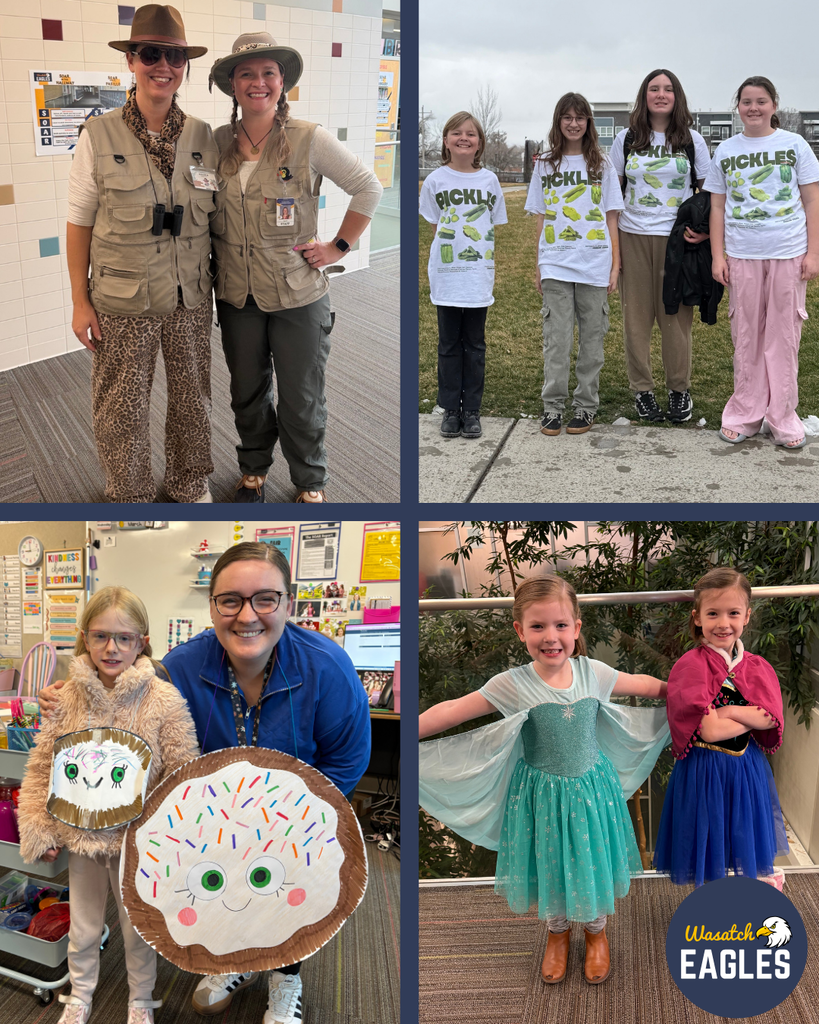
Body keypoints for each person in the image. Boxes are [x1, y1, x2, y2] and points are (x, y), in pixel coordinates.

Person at [39, 542, 371, 1024]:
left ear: (289, 604)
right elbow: (123, 683)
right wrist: (64, 692)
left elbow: (347, 760)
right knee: (225, 885)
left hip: (299, 812)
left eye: (265, 599)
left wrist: (303, 825)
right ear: (212, 606)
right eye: (230, 600)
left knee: (289, 882)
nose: (247, 616)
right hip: (217, 815)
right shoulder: (183, 666)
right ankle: (232, 963)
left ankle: (285, 975)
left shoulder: (328, 667)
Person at [418, 577, 669, 985]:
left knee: (591, 862)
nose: (550, 637)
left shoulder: (594, 673)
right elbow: (455, 710)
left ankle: (596, 932)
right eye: (538, 627)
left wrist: (688, 694)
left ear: (576, 628)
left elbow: (642, 684)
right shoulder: (512, 684)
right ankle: (556, 932)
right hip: (542, 797)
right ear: (520, 631)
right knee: (550, 865)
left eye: (560, 626)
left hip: (591, 792)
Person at [208, 33, 383, 503]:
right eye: (246, 73)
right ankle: (253, 468)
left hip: (298, 295)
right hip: (236, 295)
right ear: (232, 84)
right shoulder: (216, 141)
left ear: (282, 82)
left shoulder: (309, 138)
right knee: (246, 390)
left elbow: (368, 187)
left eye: (268, 73)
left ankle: (309, 480)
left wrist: (339, 246)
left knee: (301, 398)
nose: (258, 82)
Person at [18, 587, 200, 1024]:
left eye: (124, 638)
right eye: (100, 637)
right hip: (82, 834)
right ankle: (80, 993)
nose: (111, 648)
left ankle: (141, 998)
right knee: (82, 926)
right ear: (84, 638)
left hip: (138, 841)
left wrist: (173, 838)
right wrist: (38, 826)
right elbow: (44, 765)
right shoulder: (66, 698)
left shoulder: (163, 700)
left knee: (139, 925)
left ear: (142, 641)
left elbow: (182, 772)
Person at [66, 4, 218, 503]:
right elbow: (79, 220)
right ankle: (129, 489)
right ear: (131, 60)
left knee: (193, 401)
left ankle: (187, 481)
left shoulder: (201, 136)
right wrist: (79, 301)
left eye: (174, 56)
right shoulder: (98, 134)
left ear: (185, 66)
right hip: (122, 298)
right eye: (151, 53)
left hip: (190, 296)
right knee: (122, 405)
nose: (163, 66)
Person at [654, 567, 788, 885]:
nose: (723, 623)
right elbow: (710, 732)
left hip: (747, 770)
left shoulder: (758, 667)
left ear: (747, 617)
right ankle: (712, 914)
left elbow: (770, 718)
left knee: (744, 838)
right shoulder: (690, 666)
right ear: (698, 617)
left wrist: (726, 711)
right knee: (708, 844)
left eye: (733, 613)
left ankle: (752, 902)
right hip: (704, 770)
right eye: (713, 613)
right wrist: (746, 714)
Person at [706, 76, 819, 450]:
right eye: (746, 101)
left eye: (761, 101)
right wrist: (717, 256)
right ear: (737, 106)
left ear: (774, 105)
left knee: (783, 337)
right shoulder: (725, 150)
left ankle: (783, 417)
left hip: (788, 251)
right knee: (747, 336)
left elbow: (812, 201)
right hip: (741, 254)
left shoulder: (795, 145)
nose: (753, 108)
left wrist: (814, 252)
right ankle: (744, 414)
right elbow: (717, 207)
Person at [610, 69, 711, 424]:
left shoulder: (691, 140)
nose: (661, 94)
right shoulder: (626, 139)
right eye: (654, 88)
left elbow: (710, 193)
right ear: (645, 95)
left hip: (677, 242)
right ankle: (643, 391)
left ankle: (679, 390)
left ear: (676, 96)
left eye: (668, 89)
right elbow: (612, 193)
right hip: (633, 235)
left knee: (676, 319)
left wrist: (706, 232)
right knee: (636, 320)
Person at [525, 93, 623, 436]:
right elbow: (539, 217)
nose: (573, 123)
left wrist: (615, 265)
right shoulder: (545, 163)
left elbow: (612, 217)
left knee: (592, 341)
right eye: (567, 117)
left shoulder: (603, 164)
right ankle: (552, 406)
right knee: (557, 340)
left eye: (580, 117)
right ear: (558, 121)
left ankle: (585, 406)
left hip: (595, 262)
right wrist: (539, 263)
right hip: (555, 263)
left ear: (588, 123)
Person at [419, 111, 508, 440]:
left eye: (471, 134)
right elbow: (435, 227)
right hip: (447, 277)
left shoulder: (490, 181)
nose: (463, 138)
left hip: (477, 278)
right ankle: (450, 410)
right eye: (456, 133)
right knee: (448, 346)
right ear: (446, 140)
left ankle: (471, 410)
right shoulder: (435, 181)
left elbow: (492, 225)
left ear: (479, 143)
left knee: (475, 345)